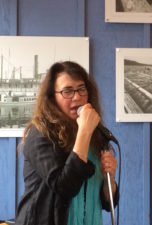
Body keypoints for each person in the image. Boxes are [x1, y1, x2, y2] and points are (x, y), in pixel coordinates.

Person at [15, 61, 119, 225]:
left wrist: (109, 180)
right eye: (67, 91)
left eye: (81, 89)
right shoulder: (40, 133)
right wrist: (84, 131)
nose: (77, 97)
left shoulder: (95, 134)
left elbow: (107, 202)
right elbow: (65, 186)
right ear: (52, 97)